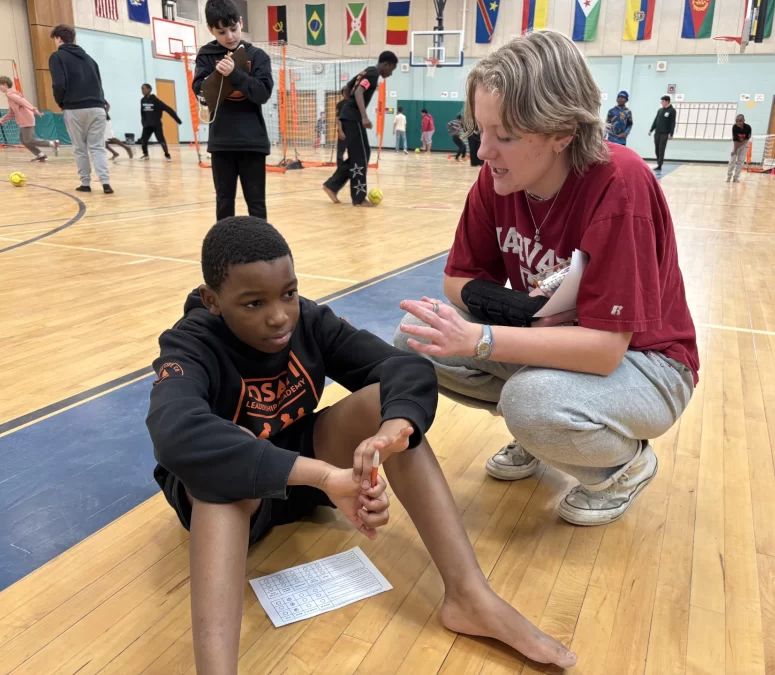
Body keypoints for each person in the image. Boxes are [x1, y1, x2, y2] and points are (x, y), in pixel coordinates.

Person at [147, 216, 579, 674]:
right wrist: (326, 477)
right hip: (234, 500)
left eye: (288, 293)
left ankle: (469, 595)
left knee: (387, 407)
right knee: (223, 454)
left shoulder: (308, 320)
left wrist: (393, 427)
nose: (279, 316)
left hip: (303, 474)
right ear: (213, 301)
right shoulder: (190, 343)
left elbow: (402, 369)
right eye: (253, 303)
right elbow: (177, 431)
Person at [393, 30, 698, 527]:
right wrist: (523, 315)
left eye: (505, 136)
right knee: (415, 338)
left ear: (562, 132)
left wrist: (486, 339)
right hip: (558, 337)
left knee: (528, 400)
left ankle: (624, 465)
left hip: (650, 362)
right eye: (481, 129)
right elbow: (457, 280)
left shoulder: (621, 182)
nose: (483, 150)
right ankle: (540, 430)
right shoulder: (498, 179)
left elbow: (604, 350)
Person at [193, 0, 273, 220]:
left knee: (256, 206)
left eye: (233, 29)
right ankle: (224, 253)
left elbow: (262, 94)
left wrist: (235, 75)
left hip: (253, 143)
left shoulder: (258, 56)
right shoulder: (206, 55)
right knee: (224, 203)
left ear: (241, 22)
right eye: (221, 31)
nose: (229, 36)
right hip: (222, 143)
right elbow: (200, 92)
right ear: (211, 30)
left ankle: (261, 252)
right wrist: (216, 77)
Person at [322, 52, 399, 206]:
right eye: (392, 69)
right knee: (361, 157)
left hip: (350, 117)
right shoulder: (372, 74)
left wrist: (347, 106)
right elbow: (357, 91)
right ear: (387, 64)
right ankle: (358, 198)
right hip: (354, 119)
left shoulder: (366, 71)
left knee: (361, 155)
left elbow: (347, 87)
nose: (391, 74)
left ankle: (332, 185)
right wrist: (362, 116)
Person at [48, 24, 112, 194]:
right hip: (97, 107)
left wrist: (60, 102)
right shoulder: (90, 59)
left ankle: (85, 183)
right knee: (97, 147)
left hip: (74, 107)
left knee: (79, 147)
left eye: (54, 39)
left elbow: (58, 84)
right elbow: (99, 84)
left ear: (58, 38)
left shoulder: (57, 57)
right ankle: (105, 182)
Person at [0, 75, 59, 162]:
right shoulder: (10, 95)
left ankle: (53, 144)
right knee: (24, 140)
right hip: (23, 120)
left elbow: (23, 102)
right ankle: (40, 155)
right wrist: (3, 119)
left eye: (0, 85)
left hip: (26, 118)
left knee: (29, 140)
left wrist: (34, 109)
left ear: (5, 84)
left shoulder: (10, 94)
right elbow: (12, 113)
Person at [139, 83, 182, 162]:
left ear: (149, 89)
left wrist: (177, 120)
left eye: (143, 89)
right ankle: (146, 155)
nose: (142, 90)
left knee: (161, 141)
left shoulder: (156, 101)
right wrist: (143, 122)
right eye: (141, 89)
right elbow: (142, 112)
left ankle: (167, 155)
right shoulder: (142, 100)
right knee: (143, 140)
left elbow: (168, 109)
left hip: (156, 125)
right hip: (147, 126)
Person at [648, 95, 676, 172]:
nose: (661, 102)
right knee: (657, 148)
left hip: (664, 133)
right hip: (657, 132)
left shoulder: (672, 110)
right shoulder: (660, 110)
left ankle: (660, 165)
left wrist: (671, 133)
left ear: (667, 101)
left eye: (663, 101)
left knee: (661, 149)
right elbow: (655, 120)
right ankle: (658, 163)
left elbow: (672, 123)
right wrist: (651, 130)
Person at [727, 114, 751, 183]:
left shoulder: (748, 127)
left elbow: (746, 139)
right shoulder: (734, 127)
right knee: (732, 160)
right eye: (737, 121)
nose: (738, 123)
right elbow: (735, 140)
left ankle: (736, 177)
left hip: (744, 144)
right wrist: (735, 150)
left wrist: (740, 145)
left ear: (744, 121)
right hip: (736, 144)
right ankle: (729, 176)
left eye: (740, 121)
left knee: (740, 161)